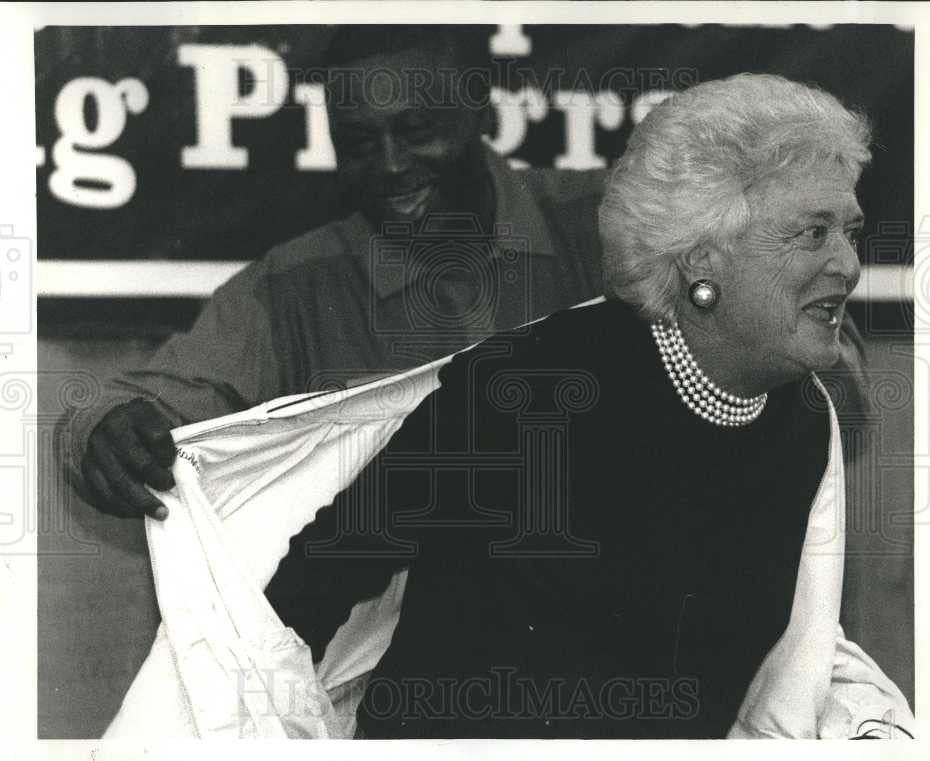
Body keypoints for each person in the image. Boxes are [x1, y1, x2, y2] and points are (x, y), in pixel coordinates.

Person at [263, 73, 913, 739]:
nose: (848, 264)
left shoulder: (799, 420)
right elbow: (298, 599)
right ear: (701, 256)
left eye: (851, 232)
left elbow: (785, 669)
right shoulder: (525, 392)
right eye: (813, 233)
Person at [66, 26, 605, 521]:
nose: (391, 165)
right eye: (359, 145)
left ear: (480, 110)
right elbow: (130, 404)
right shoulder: (292, 287)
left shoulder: (610, 222)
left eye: (416, 129)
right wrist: (105, 432)